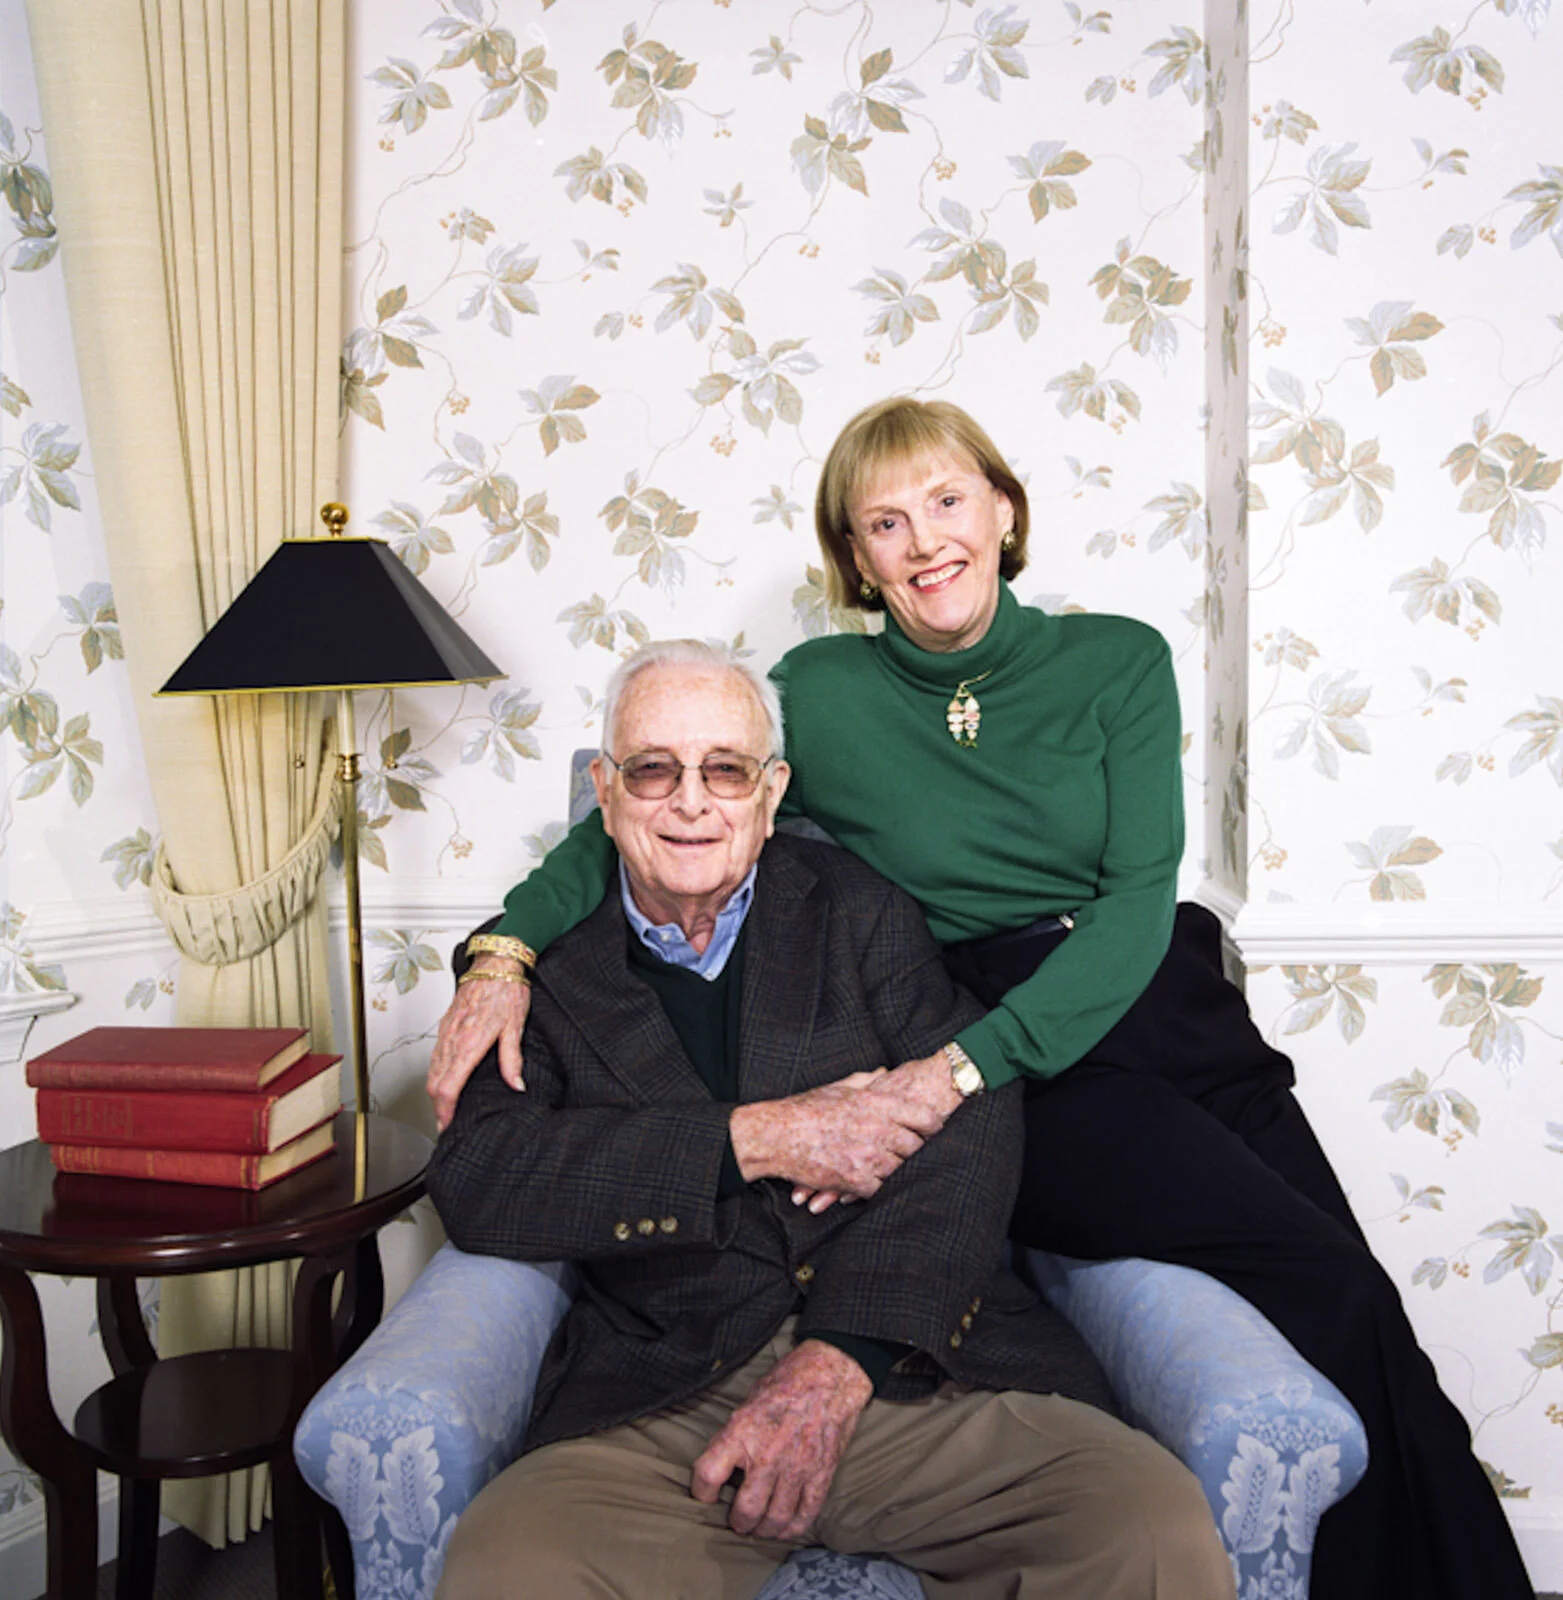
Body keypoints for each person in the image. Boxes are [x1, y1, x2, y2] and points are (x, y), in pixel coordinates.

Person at [425, 399, 1536, 1600]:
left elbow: (1136, 903)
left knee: (1351, 1297)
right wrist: (503, 951)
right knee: (1318, 1287)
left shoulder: (1119, 659)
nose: (924, 541)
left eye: (948, 501)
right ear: (855, 557)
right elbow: (648, 822)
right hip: (1017, 1045)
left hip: (1152, 1002)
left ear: (1003, 509)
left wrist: (954, 1068)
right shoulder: (818, 692)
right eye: (884, 522)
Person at [427, 642, 1233, 1600]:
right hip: (666, 1400)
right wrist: (757, 1136)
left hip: (911, 1373)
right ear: (605, 792)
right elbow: (485, 1176)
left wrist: (843, 1357)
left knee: (1147, 1529)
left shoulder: (860, 914)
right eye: (654, 768)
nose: (691, 801)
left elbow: (971, 1126)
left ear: (770, 794)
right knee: (507, 1570)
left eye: (725, 769)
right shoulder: (533, 972)